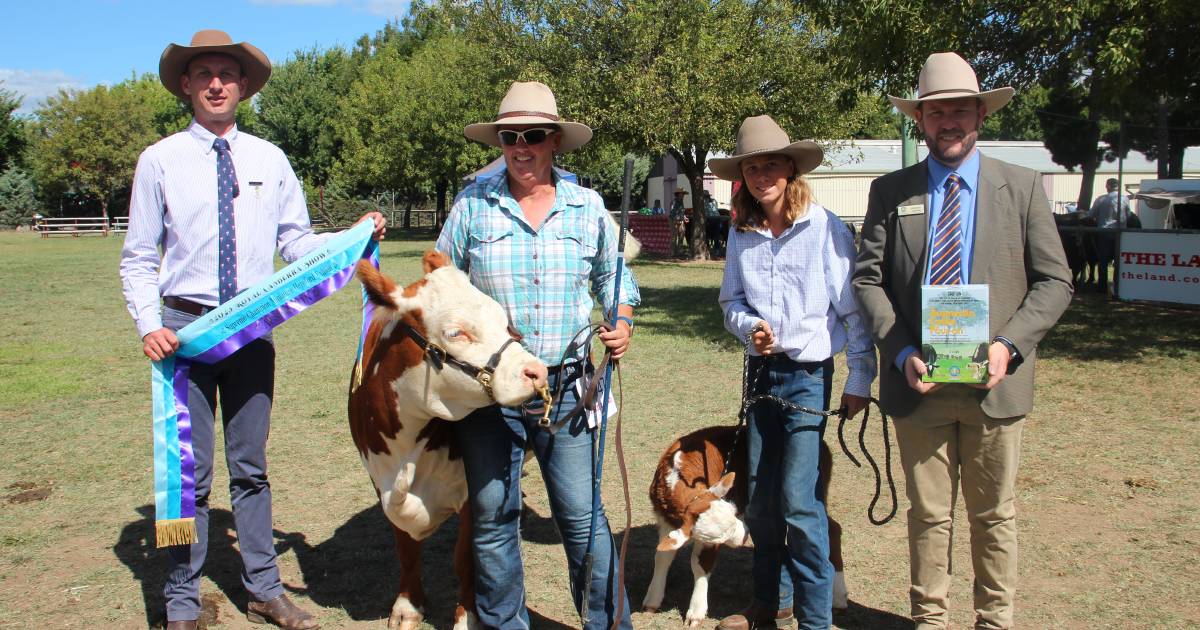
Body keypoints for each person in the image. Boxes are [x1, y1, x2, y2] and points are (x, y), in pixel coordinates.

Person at [119, 30, 386, 630]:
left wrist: (352, 238)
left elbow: (296, 244)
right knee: (190, 473)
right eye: (204, 74)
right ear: (186, 85)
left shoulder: (270, 159)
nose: (216, 83)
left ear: (243, 87)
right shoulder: (158, 161)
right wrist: (147, 325)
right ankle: (182, 601)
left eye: (227, 74)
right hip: (183, 334)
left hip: (251, 333)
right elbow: (138, 257)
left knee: (251, 468)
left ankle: (264, 589)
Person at [852, 52, 1072, 630]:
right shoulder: (890, 191)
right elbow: (867, 280)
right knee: (928, 516)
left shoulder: (1022, 188)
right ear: (920, 121)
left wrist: (1008, 346)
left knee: (993, 515)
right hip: (918, 382)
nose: (949, 121)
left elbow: (1056, 281)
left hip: (995, 384)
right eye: (936, 111)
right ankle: (931, 619)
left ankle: (993, 620)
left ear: (980, 114)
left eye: (960, 110)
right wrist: (899, 351)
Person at [436, 80, 638, 629]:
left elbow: (617, 280)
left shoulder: (587, 207)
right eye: (509, 136)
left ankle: (609, 626)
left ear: (554, 141)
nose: (520, 146)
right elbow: (440, 282)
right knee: (495, 520)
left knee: (582, 520)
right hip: (489, 396)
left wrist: (619, 320)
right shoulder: (471, 208)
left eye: (532, 135)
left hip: (568, 390)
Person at [712, 115, 876, 630]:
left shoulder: (825, 227)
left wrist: (857, 380)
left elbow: (853, 311)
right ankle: (769, 604)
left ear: (790, 169)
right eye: (752, 167)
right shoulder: (742, 231)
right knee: (761, 498)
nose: (762, 175)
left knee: (799, 501)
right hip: (761, 376)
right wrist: (749, 327)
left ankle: (815, 619)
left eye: (771, 165)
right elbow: (730, 301)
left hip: (808, 377)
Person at [1083, 178, 1129, 293]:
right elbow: (1128, 215)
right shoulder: (1125, 199)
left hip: (1104, 233)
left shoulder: (1101, 199)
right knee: (1118, 261)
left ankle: (1102, 287)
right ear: (1118, 186)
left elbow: (1090, 215)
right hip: (1120, 234)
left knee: (1103, 261)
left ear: (1107, 186)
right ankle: (1118, 285)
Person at [671, 187, 690, 253]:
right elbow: (673, 212)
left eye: (683, 194)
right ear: (678, 194)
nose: (683, 195)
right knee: (674, 236)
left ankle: (679, 250)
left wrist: (684, 217)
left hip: (681, 220)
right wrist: (676, 220)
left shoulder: (681, 201)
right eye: (682, 194)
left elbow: (681, 211)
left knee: (682, 234)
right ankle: (672, 251)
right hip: (674, 221)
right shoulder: (674, 201)